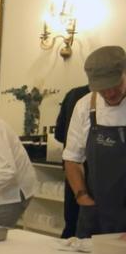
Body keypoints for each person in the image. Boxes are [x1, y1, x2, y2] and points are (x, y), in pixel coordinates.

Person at [62, 45, 126, 236]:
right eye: (103, 89)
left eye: (115, 85)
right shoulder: (85, 106)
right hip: (95, 212)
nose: (110, 93)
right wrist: (82, 197)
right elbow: (72, 158)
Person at [54, 83, 92, 238]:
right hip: (80, 173)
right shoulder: (85, 101)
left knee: (72, 227)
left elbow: (58, 133)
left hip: (75, 176)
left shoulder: (73, 94)